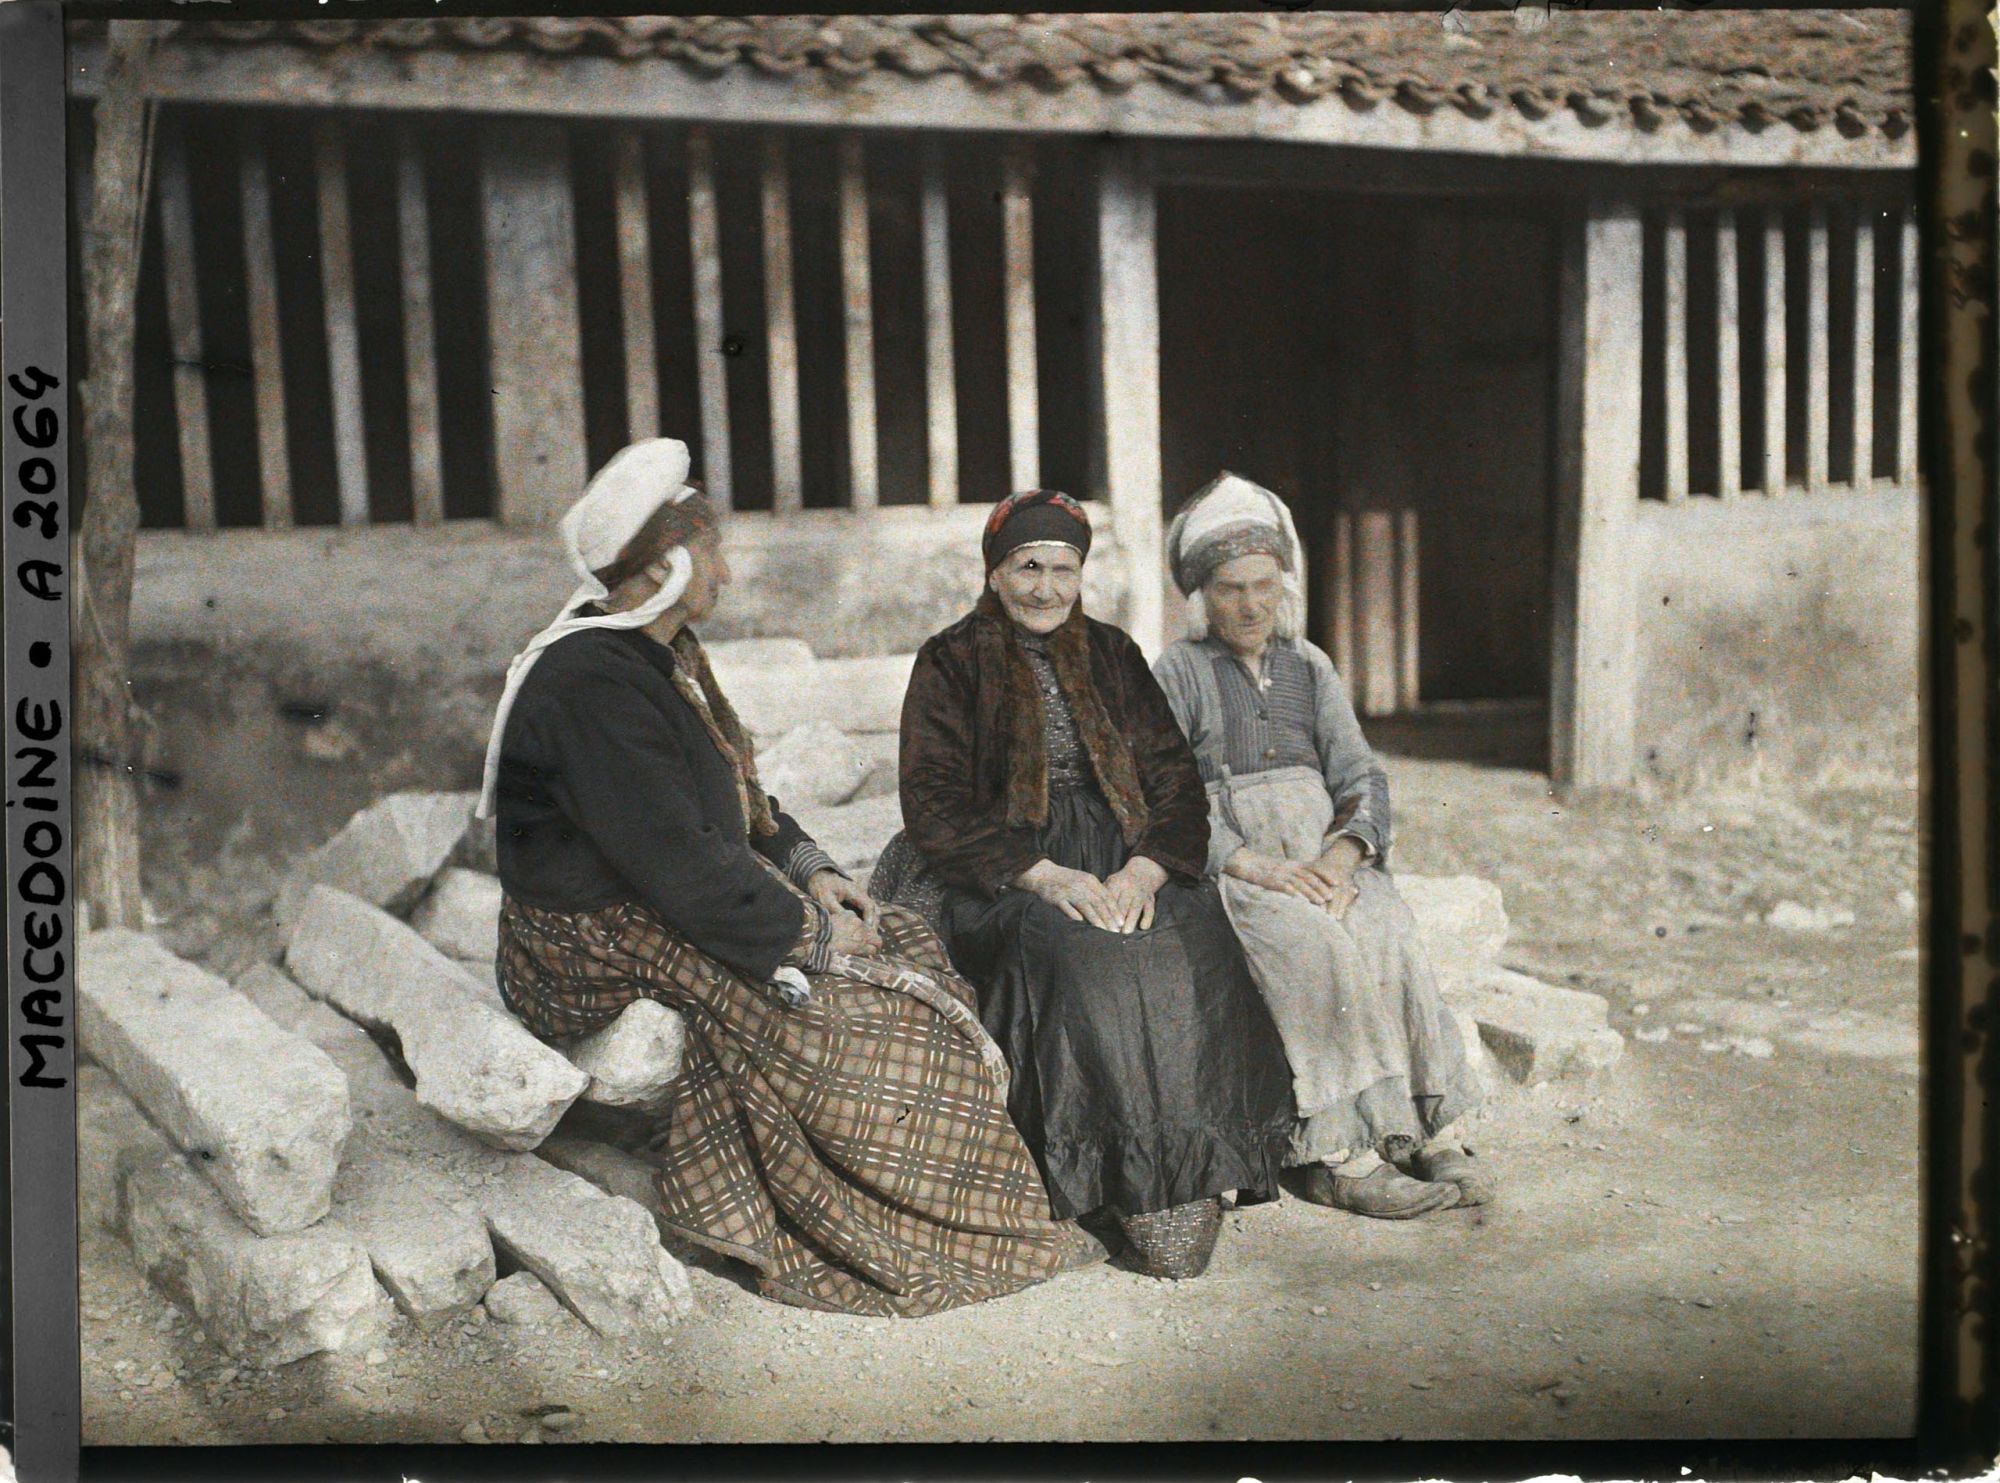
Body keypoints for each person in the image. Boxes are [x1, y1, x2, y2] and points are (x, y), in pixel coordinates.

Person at [477, 438, 1072, 1317]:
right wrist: (815, 938)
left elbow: (734, 795)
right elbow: (681, 863)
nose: (723, 567)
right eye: (709, 549)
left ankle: (973, 1202)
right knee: (835, 1015)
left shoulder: (658, 652)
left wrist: (811, 869)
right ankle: (949, 1234)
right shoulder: (589, 687)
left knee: (903, 932)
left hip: (663, 894)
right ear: (664, 568)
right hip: (584, 939)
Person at [874, 489, 1295, 1280]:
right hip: (1007, 867)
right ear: (995, 574)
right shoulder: (950, 659)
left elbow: (1174, 779)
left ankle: (1188, 1173)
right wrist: (1042, 875)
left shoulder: (1112, 653)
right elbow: (930, 800)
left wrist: (1143, 870)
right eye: (1028, 567)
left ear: (1081, 575)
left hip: (1122, 850)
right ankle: (1108, 1180)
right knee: (1082, 957)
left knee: (1187, 939)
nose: (1046, 587)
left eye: (1063, 569)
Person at [1151, 472, 1491, 1219]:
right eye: (1231, 588)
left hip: (1322, 859)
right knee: (1316, 949)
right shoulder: (1177, 671)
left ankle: (1425, 1130)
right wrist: (1257, 865)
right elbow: (1165, 792)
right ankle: (1340, 1155)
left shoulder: (1310, 665)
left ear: (1283, 585)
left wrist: (1342, 859)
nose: (1249, 604)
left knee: (1387, 928)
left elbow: (1360, 772)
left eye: (1263, 586)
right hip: (1239, 872)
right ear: (1202, 595)